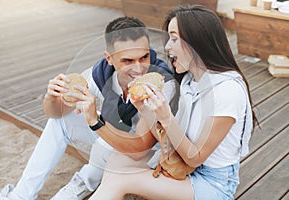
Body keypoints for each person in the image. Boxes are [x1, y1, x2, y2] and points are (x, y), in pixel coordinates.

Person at [0, 16, 176, 200]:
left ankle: (81, 184)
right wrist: (51, 96)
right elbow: (54, 113)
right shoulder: (101, 72)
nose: (139, 68)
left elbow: (141, 145)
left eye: (144, 57)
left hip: (152, 152)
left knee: (105, 140)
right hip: (115, 134)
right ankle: (20, 195)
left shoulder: (161, 82)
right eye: (127, 61)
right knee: (61, 121)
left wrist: (96, 121)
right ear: (109, 59)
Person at [87, 5, 258, 200]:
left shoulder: (227, 90)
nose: (167, 47)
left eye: (174, 39)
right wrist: (144, 109)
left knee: (120, 180)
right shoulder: (188, 81)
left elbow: (195, 156)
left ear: (197, 41)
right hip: (184, 169)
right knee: (117, 161)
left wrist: (166, 117)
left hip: (213, 184)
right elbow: (170, 140)